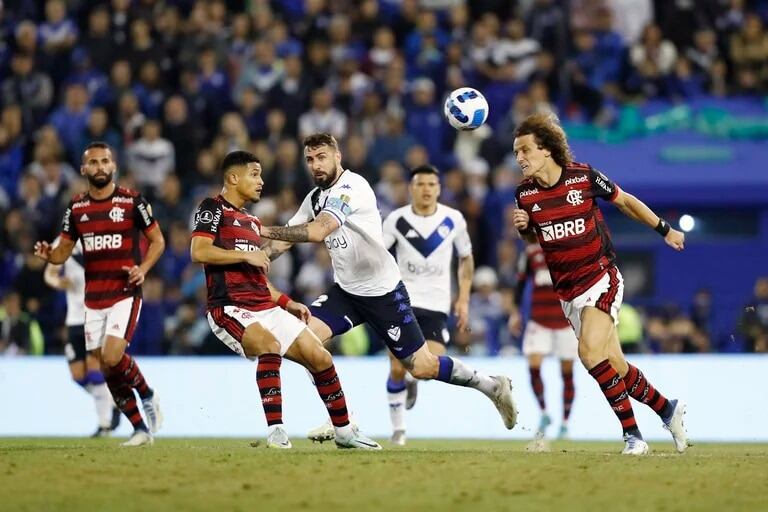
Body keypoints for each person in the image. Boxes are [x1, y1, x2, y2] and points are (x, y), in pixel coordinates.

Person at [259, 133, 517, 441]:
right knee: (303, 340)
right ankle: (344, 421)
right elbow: (285, 238)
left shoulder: (352, 188)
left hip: (383, 293)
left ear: (338, 156)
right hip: (346, 292)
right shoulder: (315, 197)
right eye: (310, 159)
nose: (316, 164)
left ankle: (491, 385)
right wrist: (255, 254)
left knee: (421, 368)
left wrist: (258, 226)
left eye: (322, 157)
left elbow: (317, 231)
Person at [511, 113, 688, 455]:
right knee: (615, 366)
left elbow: (625, 201)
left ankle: (634, 437)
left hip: (600, 277)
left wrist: (665, 230)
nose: (520, 158)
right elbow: (537, 242)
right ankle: (667, 408)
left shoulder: (583, 177)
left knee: (589, 354)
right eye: (516, 152)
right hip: (568, 292)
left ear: (546, 149)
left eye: (525, 150)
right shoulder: (525, 195)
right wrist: (523, 230)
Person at [189, 150, 380, 450]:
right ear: (233, 177)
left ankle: (344, 431)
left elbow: (256, 277)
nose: (261, 181)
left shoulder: (252, 222)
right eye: (255, 174)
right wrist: (244, 254)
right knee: (269, 346)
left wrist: (286, 302)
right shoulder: (212, 208)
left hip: (264, 305)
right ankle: (276, 430)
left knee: (320, 357)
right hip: (229, 307)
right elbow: (199, 252)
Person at [34, 142, 164, 447]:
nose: (100, 167)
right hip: (93, 300)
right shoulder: (77, 208)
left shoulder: (132, 201)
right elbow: (62, 253)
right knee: (106, 367)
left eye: (105, 161)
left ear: (114, 166)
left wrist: (143, 268)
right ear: (84, 169)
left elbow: (157, 241)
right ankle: (140, 430)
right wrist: (48, 256)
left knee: (111, 356)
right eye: (93, 162)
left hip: (125, 293)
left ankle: (147, 394)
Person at [380, 164, 474, 445]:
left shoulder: (453, 220)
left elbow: (466, 258)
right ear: (411, 188)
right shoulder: (396, 220)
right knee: (397, 367)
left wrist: (464, 298)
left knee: (429, 367)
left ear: (439, 189)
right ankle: (398, 431)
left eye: (432, 184)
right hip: (401, 303)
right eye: (420, 184)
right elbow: (380, 256)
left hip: (436, 305)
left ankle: (412, 383)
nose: (426, 189)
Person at [44, 237, 120, 437]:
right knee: (78, 376)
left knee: (95, 371)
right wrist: (58, 282)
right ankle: (112, 401)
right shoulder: (62, 242)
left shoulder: (100, 237)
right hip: (74, 319)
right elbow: (49, 274)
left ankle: (104, 425)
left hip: (95, 314)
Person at [508, 242, 577, 441]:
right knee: (534, 365)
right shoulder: (531, 253)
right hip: (539, 321)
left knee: (567, 373)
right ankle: (544, 412)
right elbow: (520, 283)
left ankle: (565, 424)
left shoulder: (570, 249)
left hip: (565, 322)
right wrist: (515, 313)